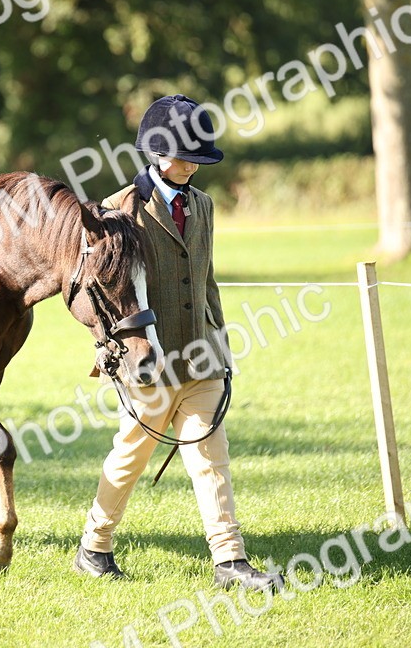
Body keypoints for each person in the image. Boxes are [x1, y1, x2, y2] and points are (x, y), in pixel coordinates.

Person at [73, 94, 282, 591]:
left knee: (212, 456)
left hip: (202, 354)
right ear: (156, 152)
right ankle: (93, 547)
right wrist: (110, 355)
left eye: (199, 158)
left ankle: (229, 561)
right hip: (148, 361)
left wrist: (222, 345)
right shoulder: (120, 210)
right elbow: (102, 292)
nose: (192, 166)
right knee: (130, 456)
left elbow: (207, 281)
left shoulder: (204, 206)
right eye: (184, 155)